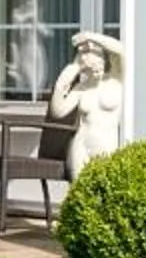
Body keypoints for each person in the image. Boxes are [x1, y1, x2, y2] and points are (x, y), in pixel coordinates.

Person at [49, 31, 127, 176]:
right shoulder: (82, 88)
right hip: (81, 146)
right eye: (91, 67)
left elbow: (122, 51)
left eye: (99, 62)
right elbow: (58, 111)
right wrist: (71, 72)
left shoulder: (116, 80)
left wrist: (90, 37)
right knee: (78, 192)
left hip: (107, 145)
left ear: (106, 60)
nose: (96, 70)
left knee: (103, 192)